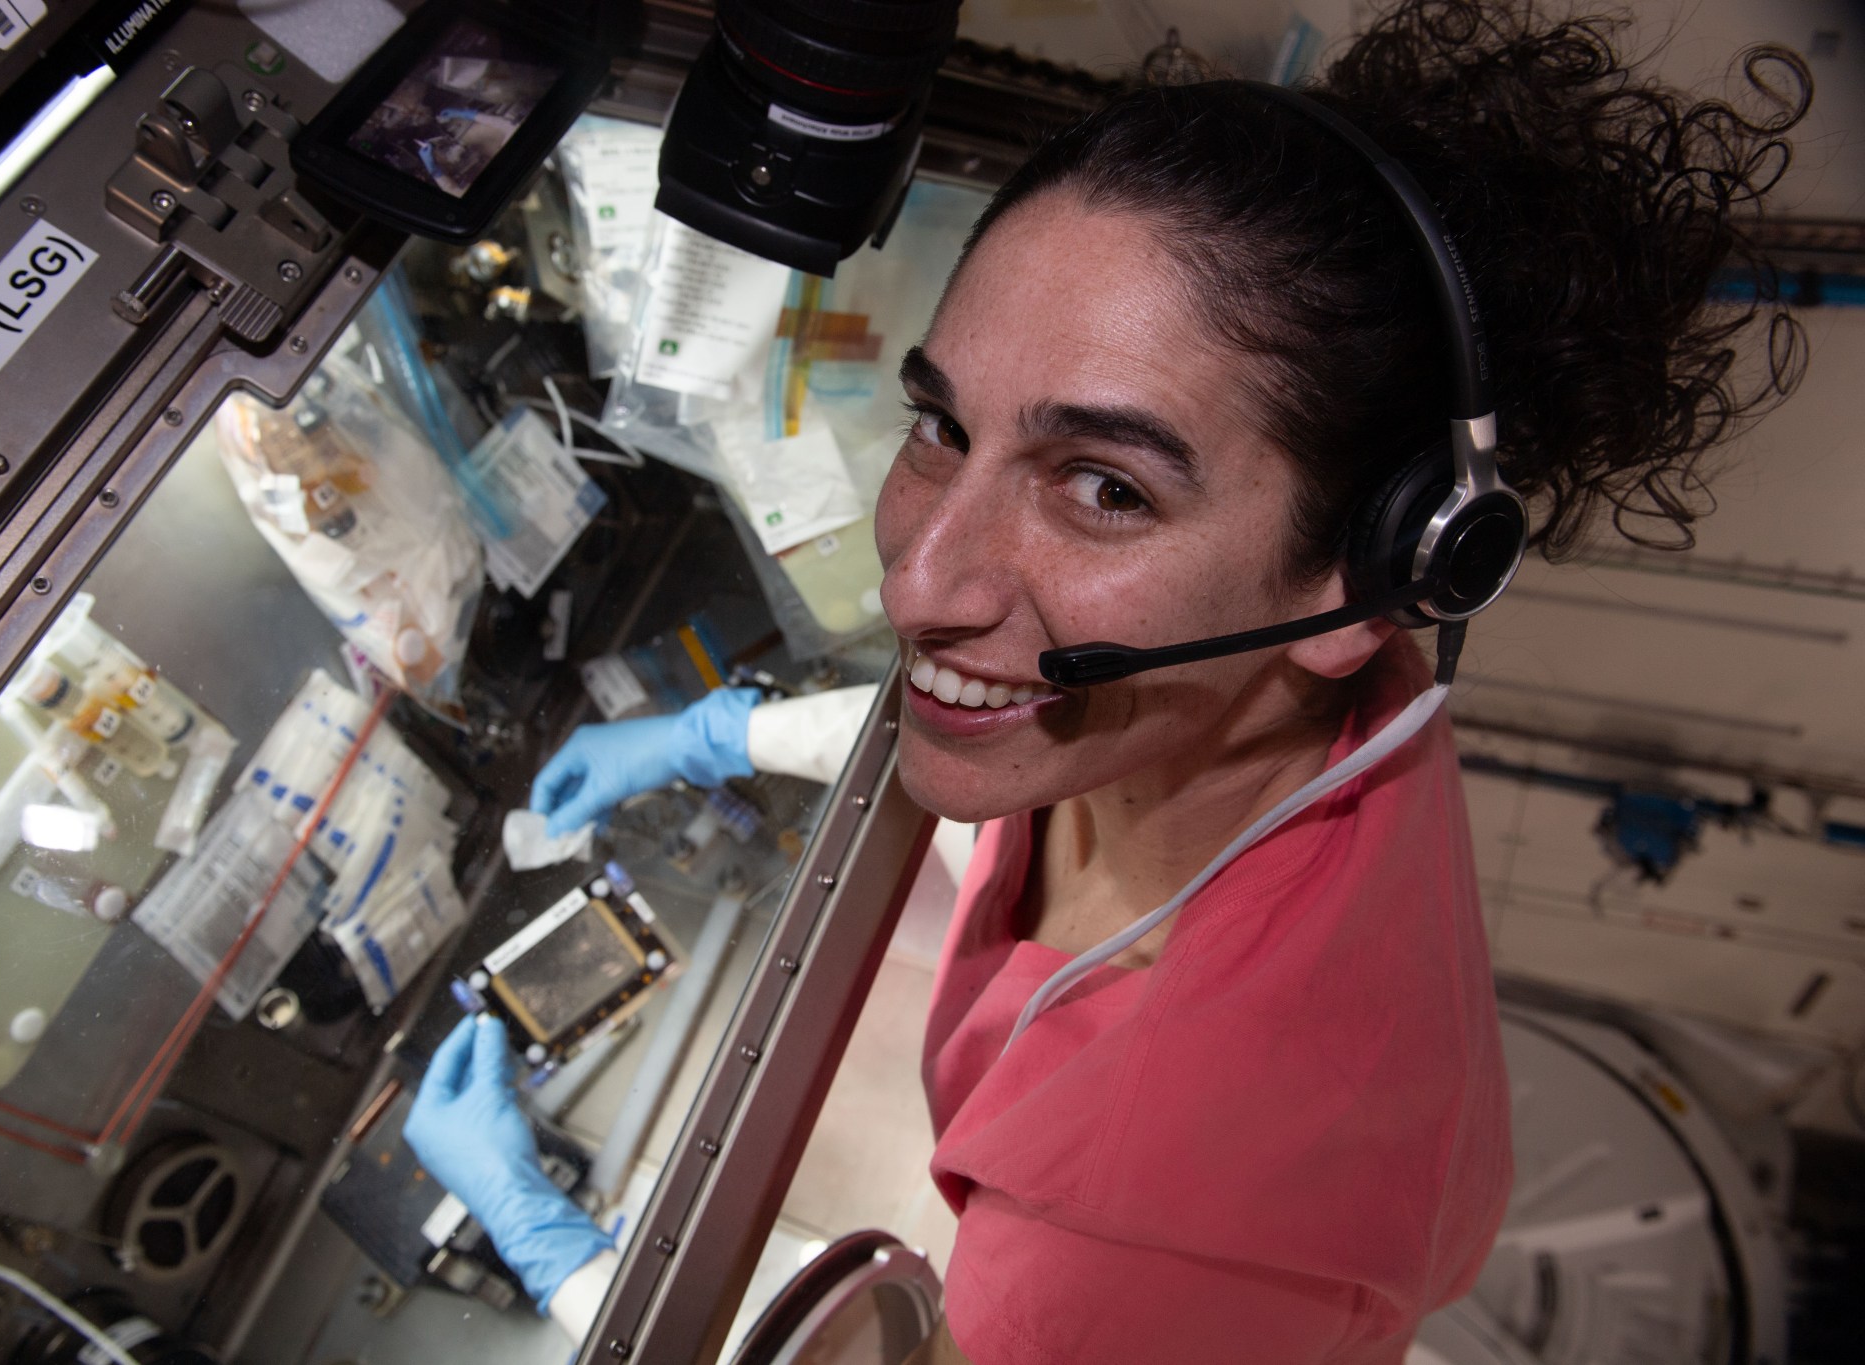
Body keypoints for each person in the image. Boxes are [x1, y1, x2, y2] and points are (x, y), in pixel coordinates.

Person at [407, 3, 1809, 1359]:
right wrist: (722, 732)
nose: (916, 584)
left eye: (1102, 486)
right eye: (943, 422)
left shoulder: (1132, 1246)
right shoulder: (1297, 716)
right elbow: (1001, 714)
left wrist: (567, 1259)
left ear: (1374, 582)